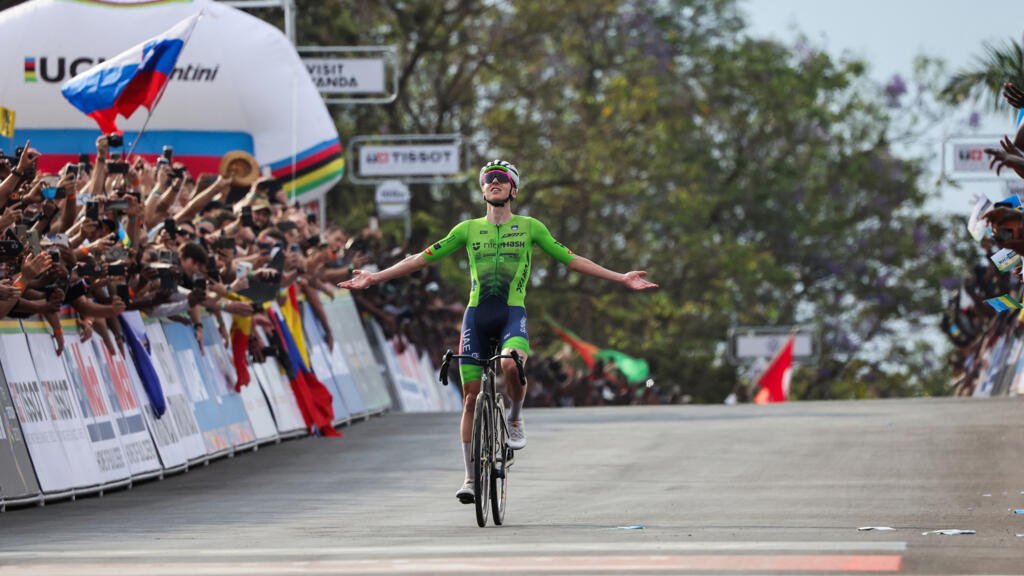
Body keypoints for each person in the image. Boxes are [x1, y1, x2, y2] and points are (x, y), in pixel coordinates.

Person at [338, 159, 658, 504]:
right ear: (481, 189)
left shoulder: (531, 227)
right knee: (471, 398)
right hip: (476, 316)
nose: (493, 183)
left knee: (509, 365)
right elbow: (420, 259)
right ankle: (470, 478)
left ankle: (516, 418)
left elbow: (572, 259)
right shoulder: (466, 229)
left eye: (501, 179)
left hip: (511, 314)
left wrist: (620, 277)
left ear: (513, 189)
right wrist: (375, 276)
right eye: (488, 179)